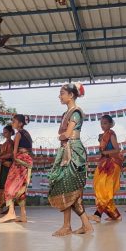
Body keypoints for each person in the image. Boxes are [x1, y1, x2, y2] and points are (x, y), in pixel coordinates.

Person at [48, 83, 93, 236]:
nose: (59, 96)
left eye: (62, 93)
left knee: (69, 188)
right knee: (65, 187)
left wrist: (61, 136)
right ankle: (79, 225)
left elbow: (66, 134)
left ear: (71, 95)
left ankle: (71, 226)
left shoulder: (76, 112)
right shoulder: (66, 113)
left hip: (73, 151)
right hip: (66, 150)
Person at [89, 115, 124, 223]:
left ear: (110, 124)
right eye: (101, 123)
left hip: (112, 164)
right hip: (104, 163)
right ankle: (115, 215)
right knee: (100, 187)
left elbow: (117, 150)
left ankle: (98, 214)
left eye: (105, 123)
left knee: (105, 189)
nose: (103, 125)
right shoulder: (103, 135)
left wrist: (105, 153)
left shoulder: (111, 134)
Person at [0, 115, 33, 223]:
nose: (12, 123)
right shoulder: (27, 134)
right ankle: (23, 215)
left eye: (14, 121)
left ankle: (11, 213)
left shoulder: (18, 134)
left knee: (8, 186)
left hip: (19, 162)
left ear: (20, 123)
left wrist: (10, 160)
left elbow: (14, 154)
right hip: (27, 161)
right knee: (21, 188)